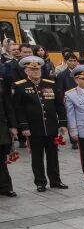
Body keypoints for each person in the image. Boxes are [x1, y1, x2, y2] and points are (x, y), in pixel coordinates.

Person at [13, 56, 68, 192]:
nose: (36, 72)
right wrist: (24, 126)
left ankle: (55, 180)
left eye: (38, 69)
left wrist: (62, 123)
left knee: (53, 156)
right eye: (32, 69)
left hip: (51, 126)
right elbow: (18, 109)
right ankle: (40, 182)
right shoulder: (20, 86)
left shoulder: (50, 84)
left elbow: (59, 105)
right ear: (26, 71)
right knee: (37, 157)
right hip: (33, 128)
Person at [0, 74, 17, 197]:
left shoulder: (2, 82)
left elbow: (8, 105)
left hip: (1, 124)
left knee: (1, 159)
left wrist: (12, 125)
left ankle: (5, 187)